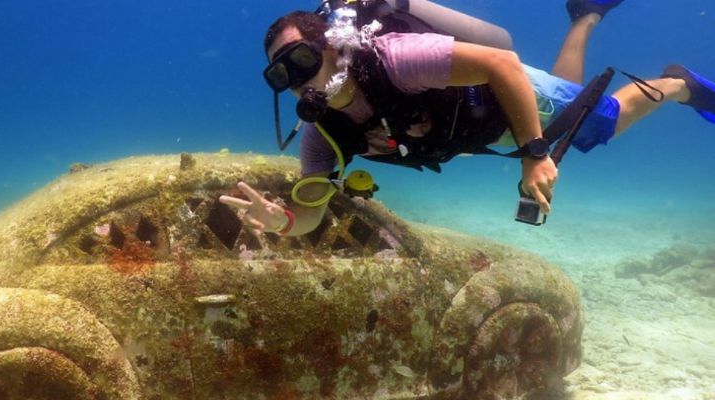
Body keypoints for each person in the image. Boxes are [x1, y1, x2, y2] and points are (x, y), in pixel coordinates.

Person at [220, 0, 715, 236]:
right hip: (487, 129)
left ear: (332, 47)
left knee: (602, 121)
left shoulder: (396, 58)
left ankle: (680, 84)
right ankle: (584, 15)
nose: (298, 80)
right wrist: (284, 221)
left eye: (302, 60)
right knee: (569, 108)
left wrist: (534, 153)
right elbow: (311, 210)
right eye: (282, 75)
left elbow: (503, 64)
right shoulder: (321, 135)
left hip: (504, 96)